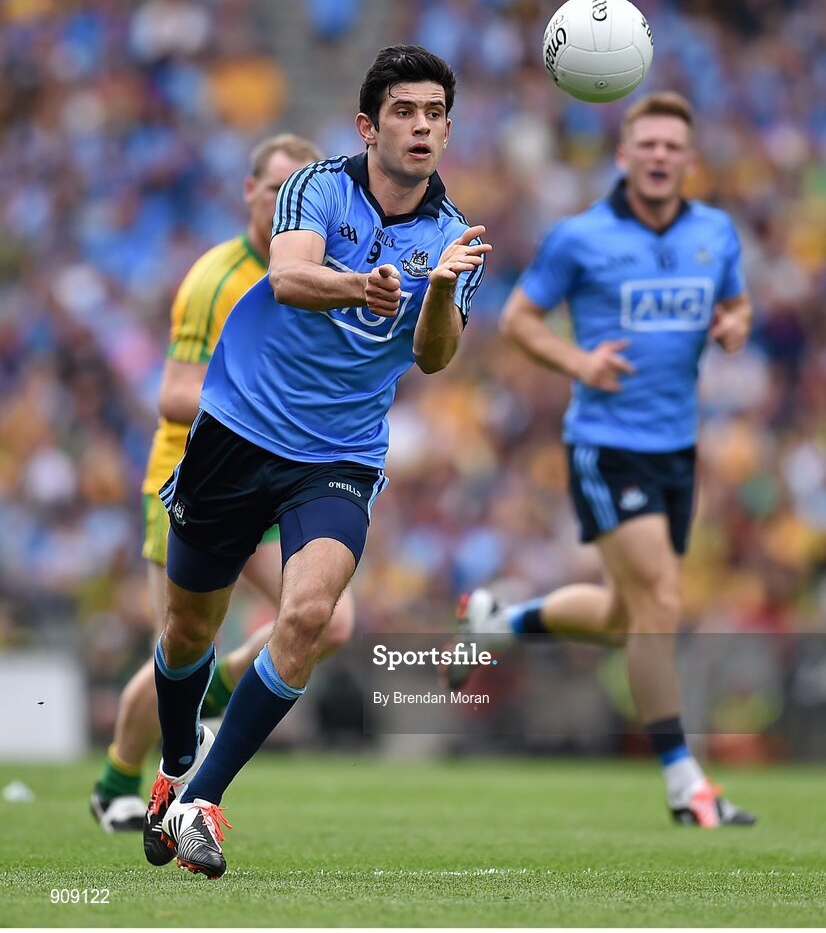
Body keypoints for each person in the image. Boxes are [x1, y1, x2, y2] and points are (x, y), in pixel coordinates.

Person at [143, 45, 490, 879]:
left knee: (309, 617)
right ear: (369, 126)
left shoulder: (455, 238)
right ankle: (174, 762)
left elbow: (434, 358)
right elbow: (290, 277)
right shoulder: (317, 186)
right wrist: (362, 284)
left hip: (339, 453)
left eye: (435, 115)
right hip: (239, 430)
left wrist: (441, 289)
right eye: (404, 112)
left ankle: (201, 803)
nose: (421, 127)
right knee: (189, 629)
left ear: (447, 131)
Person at [452, 91, 756, 829]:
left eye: (672, 146)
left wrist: (734, 324)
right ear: (623, 155)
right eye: (646, 144)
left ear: (688, 160)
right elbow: (519, 319)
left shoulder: (716, 233)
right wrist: (579, 363)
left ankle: (503, 622)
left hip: (677, 449)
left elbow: (737, 305)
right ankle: (685, 781)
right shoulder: (580, 237)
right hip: (607, 444)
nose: (659, 156)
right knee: (660, 602)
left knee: (627, 617)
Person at [90, 134, 355, 838]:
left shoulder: (322, 270)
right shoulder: (216, 279)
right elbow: (173, 394)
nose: (286, 204)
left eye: (299, 192)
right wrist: (259, 403)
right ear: (248, 192)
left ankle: (211, 702)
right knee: (183, 640)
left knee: (331, 621)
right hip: (193, 477)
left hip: (275, 475)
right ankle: (117, 780)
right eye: (274, 190)